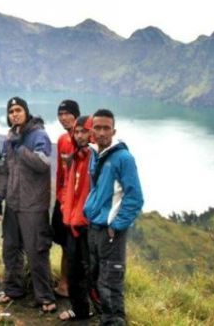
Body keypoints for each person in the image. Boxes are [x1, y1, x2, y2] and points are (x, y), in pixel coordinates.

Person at [0, 97, 57, 313]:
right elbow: (3, 169)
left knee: (36, 251)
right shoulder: (10, 136)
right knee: (10, 248)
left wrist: (20, 149)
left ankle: (45, 297)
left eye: (18, 110)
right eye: (11, 111)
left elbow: (43, 163)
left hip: (33, 205)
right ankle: (13, 289)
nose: (14, 114)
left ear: (26, 112)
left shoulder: (39, 135)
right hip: (13, 202)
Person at [83, 109, 143, 326]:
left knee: (110, 283)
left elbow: (135, 198)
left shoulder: (123, 158)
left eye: (106, 128)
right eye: (97, 128)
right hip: (94, 228)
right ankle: (104, 320)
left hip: (110, 232)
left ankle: (114, 322)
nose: (101, 132)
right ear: (91, 131)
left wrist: (116, 226)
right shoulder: (96, 154)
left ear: (113, 130)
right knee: (96, 279)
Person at [58, 115, 96, 322]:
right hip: (72, 222)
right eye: (77, 132)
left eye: (84, 131)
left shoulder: (95, 158)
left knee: (91, 271)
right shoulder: (75, 157)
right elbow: (68, 187)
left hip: (88, 224)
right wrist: (65, 208)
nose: (80, 135)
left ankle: (100, 311)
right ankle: (80, 309)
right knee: (74, 270)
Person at [53, 99, 80, 298]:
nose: (64, 118)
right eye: (60, 114)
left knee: (77, 246)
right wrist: (60, 198)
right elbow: (61, 175)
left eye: (67, 113)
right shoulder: (62, 140)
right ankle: (64, 284)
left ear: (76, 115)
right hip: (63, 201)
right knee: (64, 243)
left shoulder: (87, 140)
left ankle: (78, 287)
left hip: (79, 204)